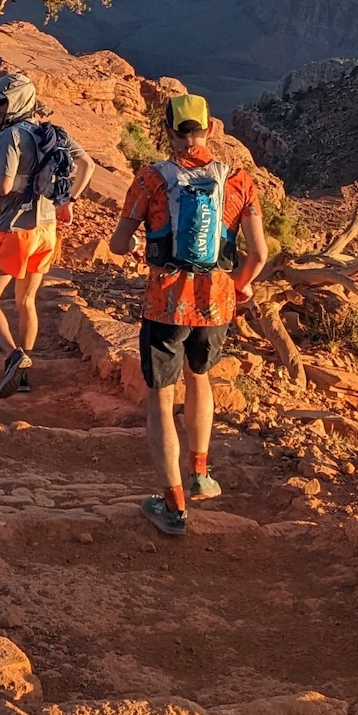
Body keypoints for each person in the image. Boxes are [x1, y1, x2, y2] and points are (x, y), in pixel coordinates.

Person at [107, 93, 269, 537]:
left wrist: (138, 245)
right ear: (211, 129)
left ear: (169, 132)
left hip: (165, 303)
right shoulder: (238, 180)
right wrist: (238, 287)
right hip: (217, 302)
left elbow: (118, 245)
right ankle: (200, 473)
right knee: (201, 379)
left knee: (161, 397)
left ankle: (174, 505)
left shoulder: (150, 180)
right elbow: (258, 253)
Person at [0, 72, 95, 398]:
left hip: (15, 227)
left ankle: (13, 356)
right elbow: (88, 165)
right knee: (26, 300)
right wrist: (69, 200)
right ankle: (24, 372)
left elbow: (2, 186)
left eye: (0, 101)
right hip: (46, 230)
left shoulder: (8, 137)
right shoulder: (51, 133)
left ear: (13, 102)